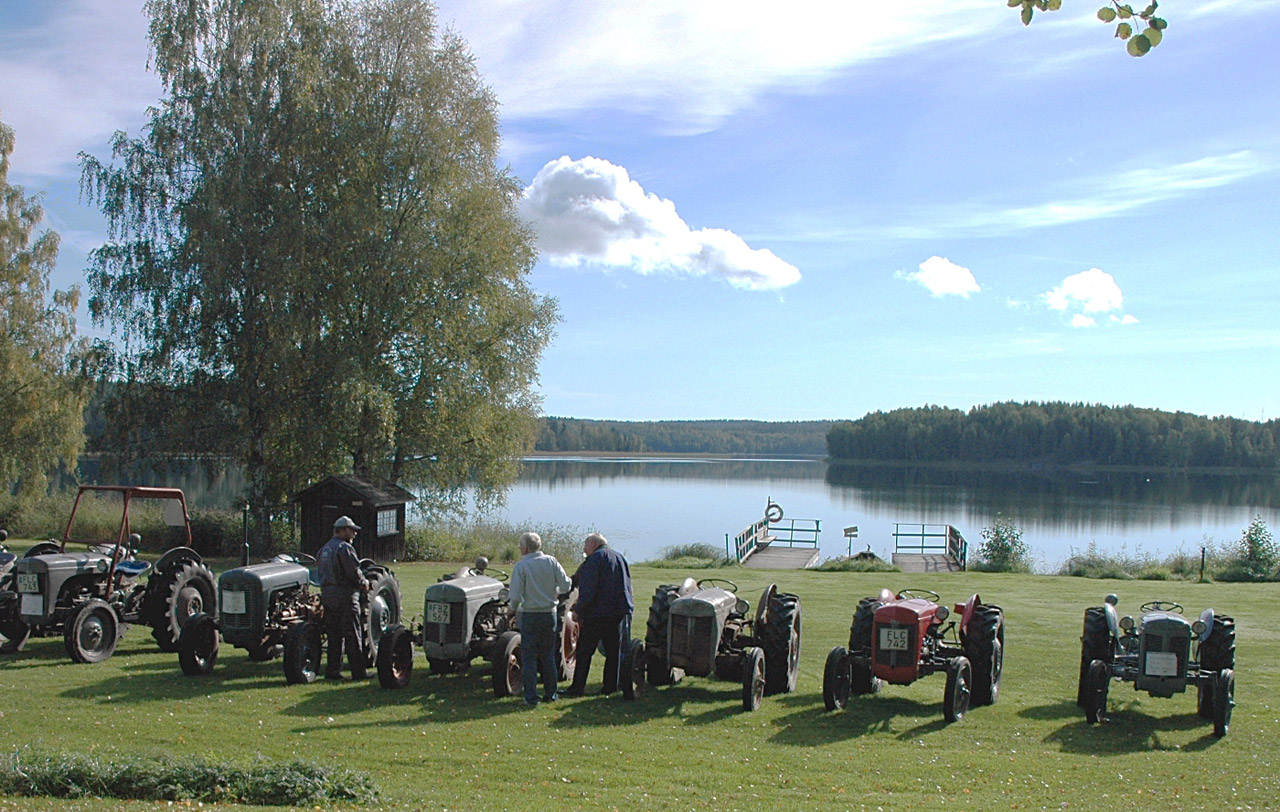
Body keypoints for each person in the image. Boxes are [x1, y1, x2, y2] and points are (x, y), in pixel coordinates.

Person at [507, 531, 572, 707]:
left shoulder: (522, 566)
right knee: (548, 655)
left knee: (529, 657)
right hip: (549, 613)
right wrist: (554, 592)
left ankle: (531, 697)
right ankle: (551, 694)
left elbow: (515, 596)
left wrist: (510, 611)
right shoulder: (551, 561)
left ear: (526, 548)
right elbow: (566, 584)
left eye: (521, 546)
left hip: (530, 614)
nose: (520, 548)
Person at [566, 532, 633, 697]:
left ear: (593, 544)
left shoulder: (594, 559)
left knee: (584, 651)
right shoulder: (620, 557)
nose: (584, 549)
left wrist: (578, 610)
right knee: (613, 652)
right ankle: (610, 687)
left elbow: (588, 590)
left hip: (597, 613)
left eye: (585, 546)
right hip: (617, 612)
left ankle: (577, 687)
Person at [317, 515, 370, 681]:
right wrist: (364, 582)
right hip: (345, 597)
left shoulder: (324, 549)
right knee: (353, 635)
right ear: (343, 530)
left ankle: (333, 671)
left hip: (328, 596)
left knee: (334, 637)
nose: (354, 533)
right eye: (352, 530)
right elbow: (353, 572)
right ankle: (359, 673)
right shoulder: (344, 548)